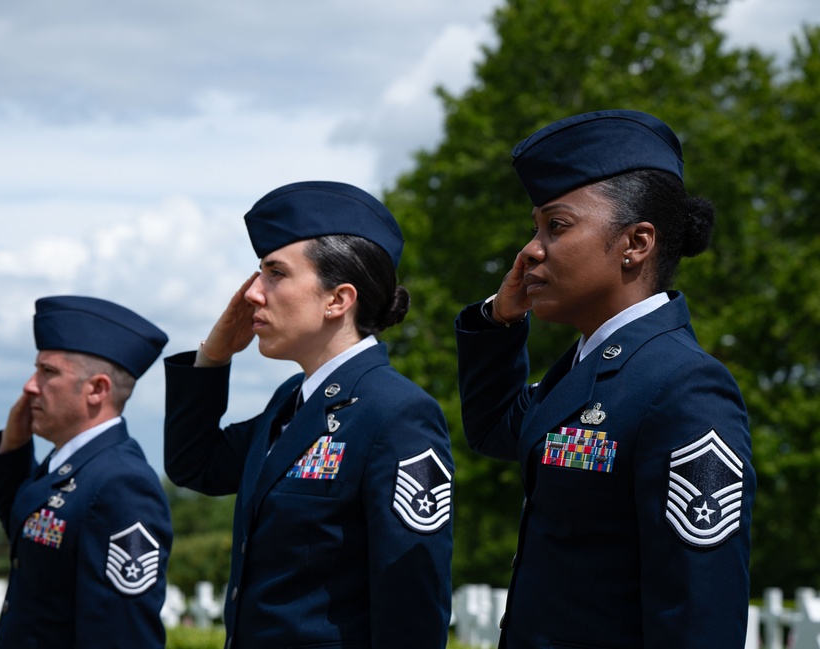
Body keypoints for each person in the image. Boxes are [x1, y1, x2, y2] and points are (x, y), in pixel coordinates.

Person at [455, 109, 756, 648]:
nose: (529, 251)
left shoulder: (683, 387)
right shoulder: (581, 373)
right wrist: (498, 321)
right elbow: (494, 425)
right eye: (535, 228)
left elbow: (698, 616)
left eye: (557, 226)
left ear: (636, 243)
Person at [163, 181, 454, 648]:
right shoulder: (291, 401)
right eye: (258, 273)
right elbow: (193, 464)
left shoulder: (396, 413)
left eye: (275, 273)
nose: (252, 294)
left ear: (337, 300)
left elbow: (412, 596)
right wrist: (213, 357)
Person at [0, 295, 172, 649]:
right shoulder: (70, 465)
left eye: (48, 372)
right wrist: (13, 448)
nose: (30, 386)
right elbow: (26, 529)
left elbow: (121, 637)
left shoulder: (120, 484)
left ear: (96, 389)